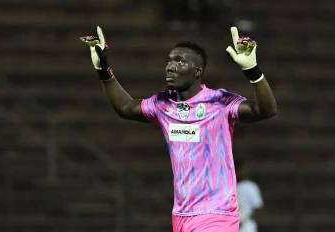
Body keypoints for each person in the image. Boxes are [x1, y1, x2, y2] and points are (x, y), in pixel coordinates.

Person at [80, 26, 276, 232]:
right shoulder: (164, 104)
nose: (170, 67)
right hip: (181, 215)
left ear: (198, 71)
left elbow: (266, 110)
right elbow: (126, 107)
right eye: (169, 61)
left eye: (180, 61)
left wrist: (253, 70)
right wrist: (103, 68)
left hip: (216, 213)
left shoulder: (219, 102)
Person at [235, 160, 263, 232]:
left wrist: (244, 220)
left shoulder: (251, 187)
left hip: (247, 227)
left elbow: (257, 207)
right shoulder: (229, 187)